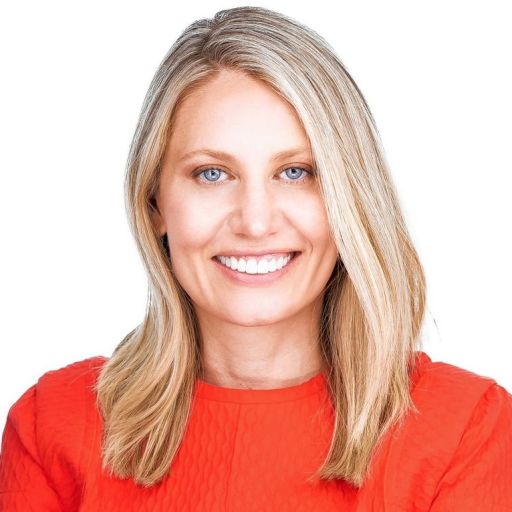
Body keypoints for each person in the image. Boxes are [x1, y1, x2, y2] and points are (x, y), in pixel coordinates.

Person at [1, 6, 511, 511]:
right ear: (154, 202)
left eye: (295, 172)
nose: (256, 222)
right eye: (212, 174)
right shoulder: (52, 427)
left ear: (350, 197)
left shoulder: (465, 432)